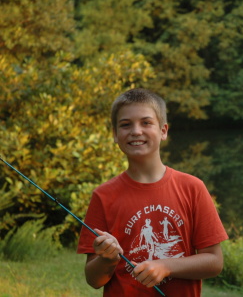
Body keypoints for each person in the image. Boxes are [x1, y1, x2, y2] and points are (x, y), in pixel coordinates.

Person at [77, 88, 228, 296]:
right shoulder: (103, 196)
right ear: (115, 134)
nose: (136, 131)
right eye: (125, 124)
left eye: (146, 122)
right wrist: (107, 259)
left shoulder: (193, 188)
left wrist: (166, 266)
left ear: (163, 130)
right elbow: (94, 280)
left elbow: (214, 261)